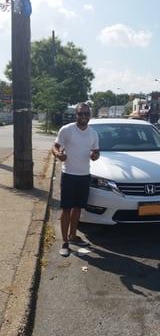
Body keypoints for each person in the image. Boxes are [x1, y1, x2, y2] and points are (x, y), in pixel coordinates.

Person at [52, 103, 100, 256]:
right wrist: (58, 154)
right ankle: (64, 242)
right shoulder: (67, 130)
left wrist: (95, 156)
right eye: (81, 114)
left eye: (86, 114)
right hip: (69, 175)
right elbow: (55, 146)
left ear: (90, 115)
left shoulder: (93, 134)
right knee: (66, 209)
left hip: (84, 175)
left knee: (78, 208)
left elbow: (96, 152)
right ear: (76, 115)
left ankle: (73, 236)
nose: (84, 117)